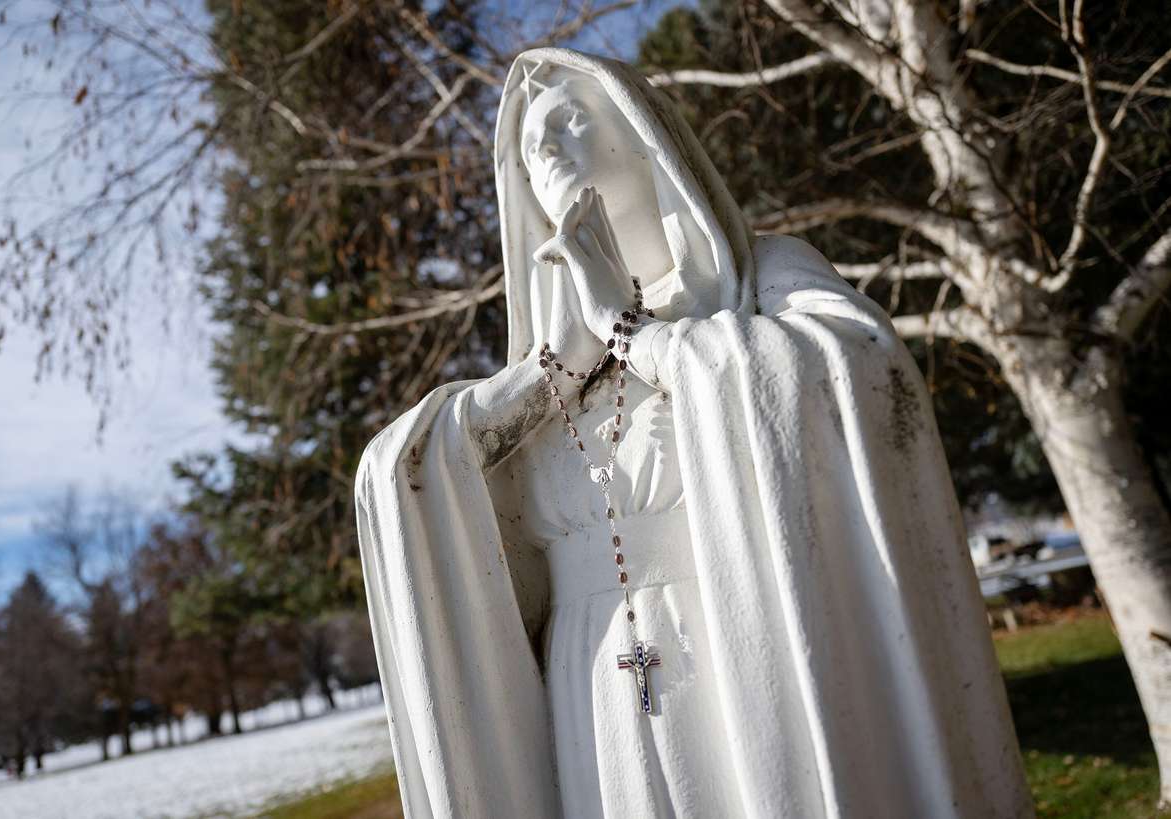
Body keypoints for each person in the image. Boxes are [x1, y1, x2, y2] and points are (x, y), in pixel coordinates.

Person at [355, 48, 1032, 818]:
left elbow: (855, 373)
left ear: (645, 135)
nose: (546, 150)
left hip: (742, 647)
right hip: (591, 686)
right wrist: (550, 372)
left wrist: (637, 333)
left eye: (571, 121)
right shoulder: (544, 372)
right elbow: (405, 475)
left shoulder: (756, 281)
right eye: (529, 146)